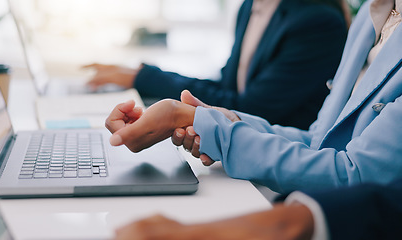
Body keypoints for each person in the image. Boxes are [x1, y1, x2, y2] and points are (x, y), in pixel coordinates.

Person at [104, 0, 402, 194]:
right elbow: (317, 139)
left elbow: (356, 176)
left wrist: (195, 121)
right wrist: (214, 118)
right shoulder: (373, 13)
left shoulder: (318, 18)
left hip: (305, 201)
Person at [85, 0, 350, 130]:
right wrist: (140, 76)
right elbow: (227, 87)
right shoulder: (252, 6)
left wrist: (144, 78)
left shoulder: (317, 21)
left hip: (277, 165)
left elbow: (250, 107)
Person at [113, 179, 402, 240]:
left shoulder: (319, 20)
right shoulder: (368, 23)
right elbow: (319, 134)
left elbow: (358, 170)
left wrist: (287, 222)